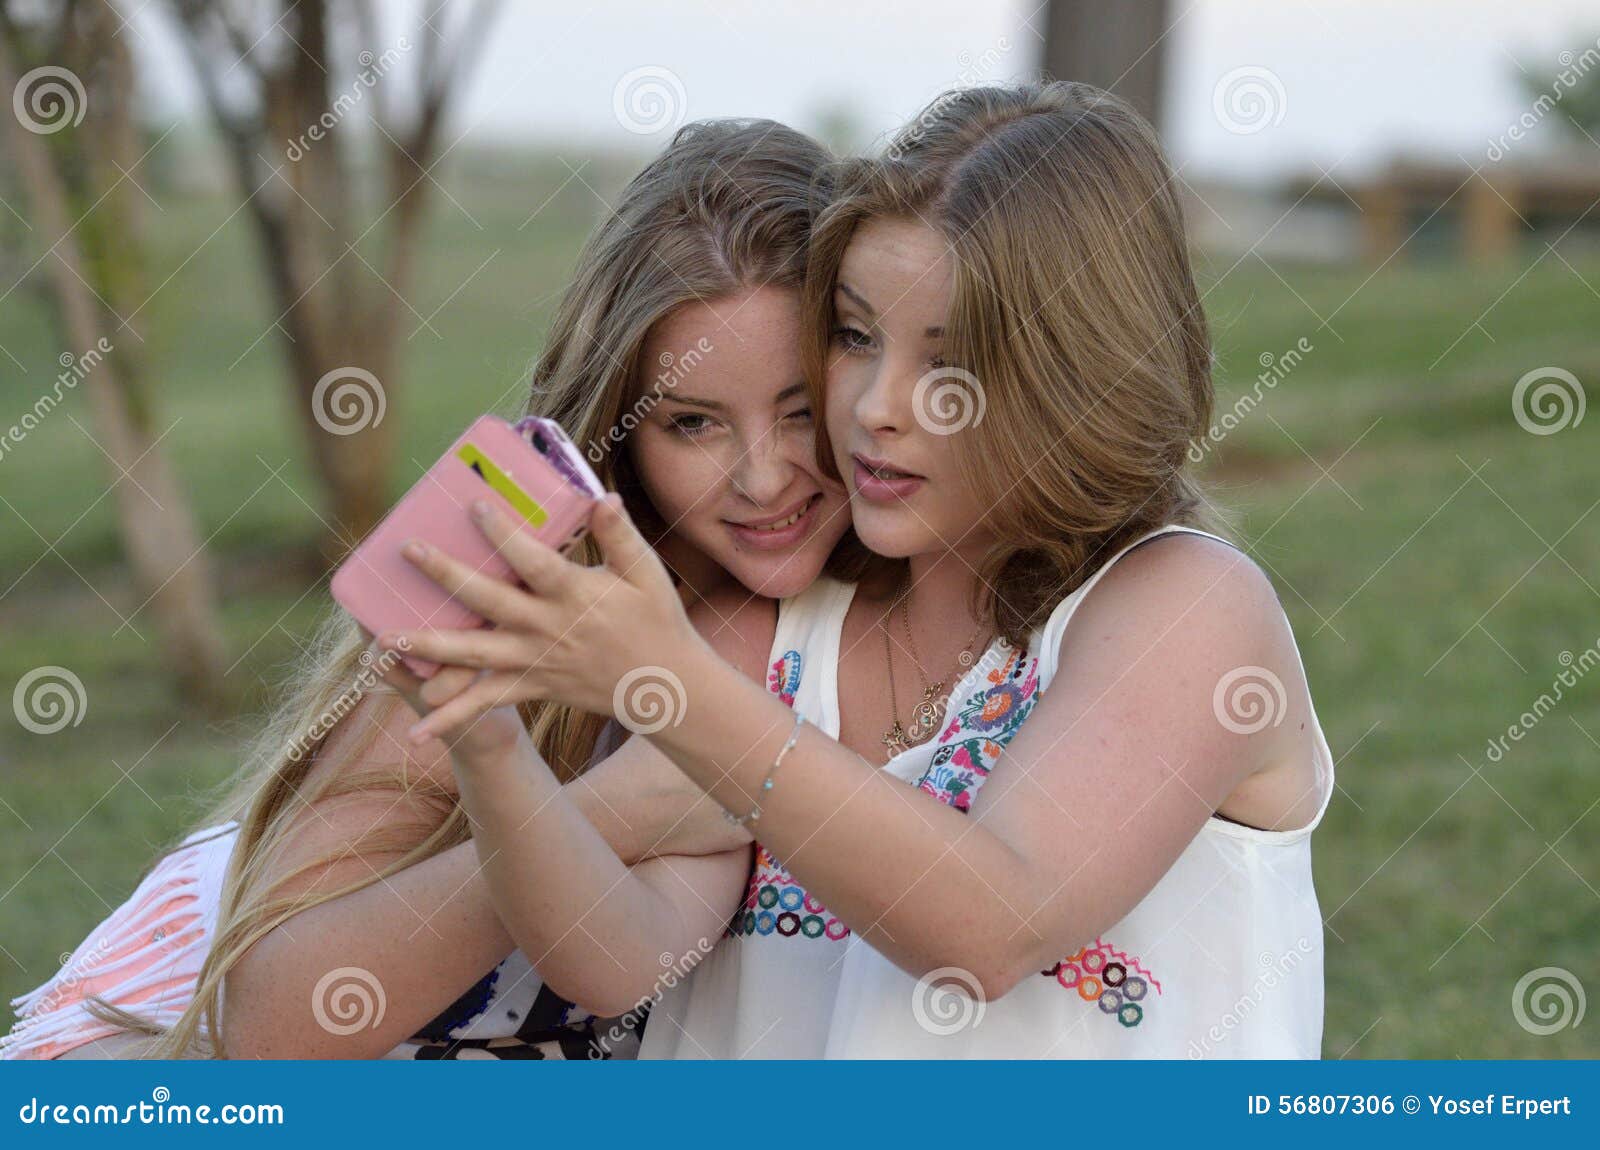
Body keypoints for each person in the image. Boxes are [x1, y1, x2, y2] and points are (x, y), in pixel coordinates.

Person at [386, 82, 1334, 1059]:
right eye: (853, 334)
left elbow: (992, 926)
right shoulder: (774, 631)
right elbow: (620, 956)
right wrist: (489, 741)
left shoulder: (1182, 609)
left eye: (948, 358)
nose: (878, 405)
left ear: (1078, 372)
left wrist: (665, 686)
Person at [3, 118, 852, 1060]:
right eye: (693, 423)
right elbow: (273, 1027)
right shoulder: (506, 599)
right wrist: (619, 803)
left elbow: (630, 957)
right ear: (622, 424)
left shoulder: (811, 629)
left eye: (803, 410)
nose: (765, 477)